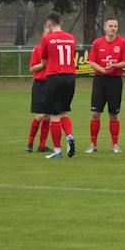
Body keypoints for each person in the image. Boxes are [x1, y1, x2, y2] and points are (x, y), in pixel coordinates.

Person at [85, 17, 125, 154]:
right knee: (95, 113)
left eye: (115, 26)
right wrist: (101, 69)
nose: (113, 28)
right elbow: (91, 61)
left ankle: (115, 145)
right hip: (100, 80)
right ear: (105, 27)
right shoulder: (97, 43)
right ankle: (93, 144)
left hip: (115, 81)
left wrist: (114, 66)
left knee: (113, 114)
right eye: (110, 26)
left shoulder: (122, 42)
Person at [37, 12, 77, 159]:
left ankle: (58, 151)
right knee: (64, 112)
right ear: (61, 23)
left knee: (54, 115)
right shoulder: (71, 38)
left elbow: (44, 62)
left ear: (49, 24)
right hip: (70, 78)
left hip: (54, 78)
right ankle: (70, 135)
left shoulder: (46, 38)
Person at [26, 27, 52, 153]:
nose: (49, 36)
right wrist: (43, 64)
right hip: (40, 84)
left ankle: (42, 145)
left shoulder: (55, 51)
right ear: (43, 35)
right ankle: (30, 142)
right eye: (47, 33)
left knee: (48, 116)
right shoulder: (37, 49)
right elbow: (32, 68)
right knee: (41, 114)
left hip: (52, 84)